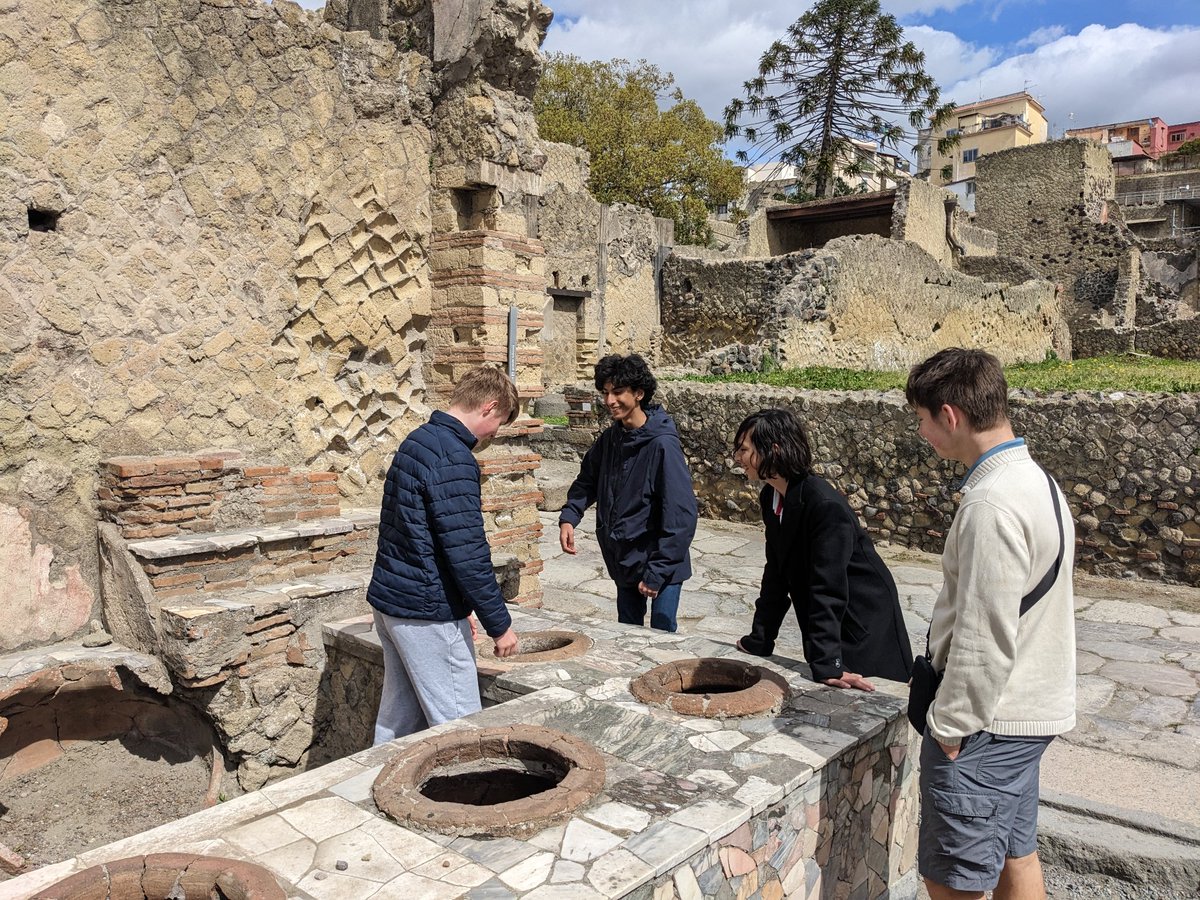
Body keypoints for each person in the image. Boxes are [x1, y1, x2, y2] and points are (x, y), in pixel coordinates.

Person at [906, 348, 1075, 900]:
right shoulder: (1039, 483)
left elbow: (983, 637)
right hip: (1030, 713)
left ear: (950, 415)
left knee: (952, 878)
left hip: (989, 725)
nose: (924, 434)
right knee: (1014, 854)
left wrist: (950, 729)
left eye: (924, 420)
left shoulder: (991, 505)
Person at [366, 366, 520, 744]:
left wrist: (462, 606)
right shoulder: (454, 457)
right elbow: (467, 552)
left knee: (397, 723)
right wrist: (498, 624)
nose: (495, 434)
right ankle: (468, 801)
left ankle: (368, 791)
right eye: (499, 422)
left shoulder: (418, 440)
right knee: (460, 728)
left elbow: (418, 536)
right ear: (489, 406)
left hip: (392, 602)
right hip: (424, 612)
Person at [731, 408, 913, 689]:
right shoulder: (772, 496)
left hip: (861, 617)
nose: (738, 458)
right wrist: (760, 639)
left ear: (774, 450)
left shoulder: (822, 504)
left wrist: (828, 663)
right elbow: (776, 573)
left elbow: (827, 586)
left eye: (744, 449)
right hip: (836, 609)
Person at [559, 353, 698, 632]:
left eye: (618, 392)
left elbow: (681, 516)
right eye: (606, 393)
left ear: (639, 394)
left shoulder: (662, 446)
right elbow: (587, 480)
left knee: (661, 636)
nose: (610, 401)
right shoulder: (610, 440)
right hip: (624, 560)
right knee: (626, 635)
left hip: (662, 562)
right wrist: (569, 516)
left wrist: (657, 572)